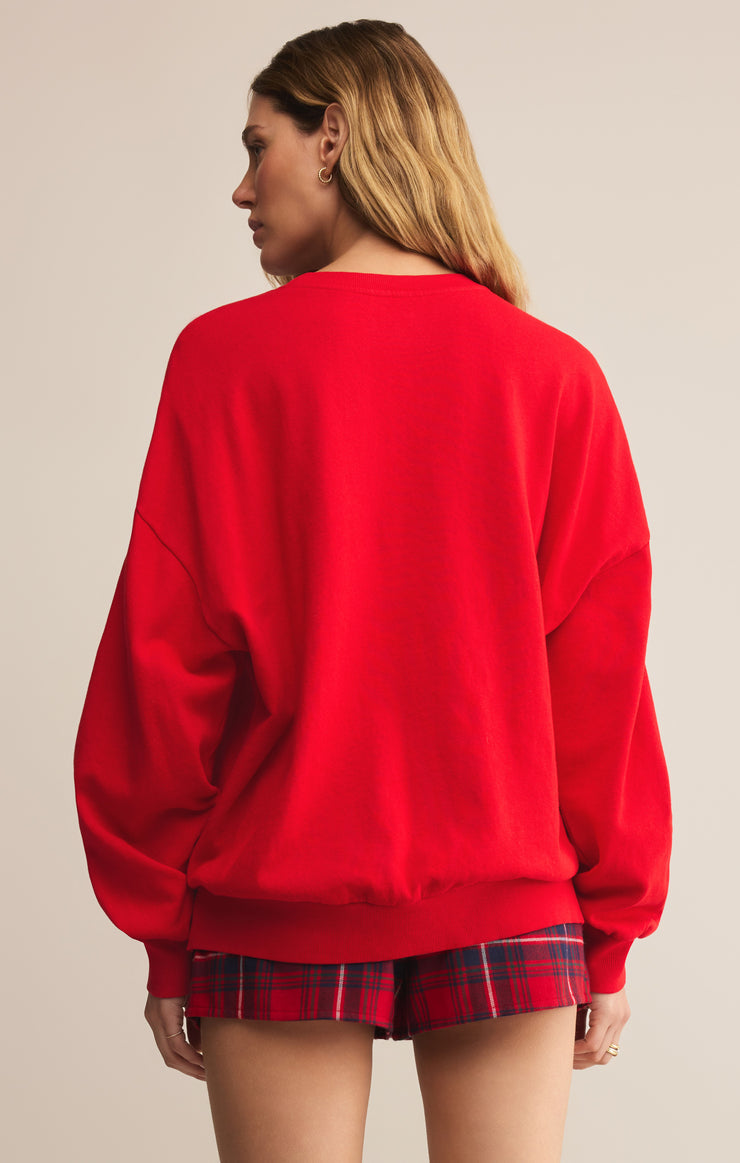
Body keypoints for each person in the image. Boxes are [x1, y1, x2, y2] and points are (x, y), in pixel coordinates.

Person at [73, 18, 673, 1163]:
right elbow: (598, 683)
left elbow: (162, 659)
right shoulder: (550, 374)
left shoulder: (223, 362)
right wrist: (610, 925)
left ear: (333, 135)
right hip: (510, 897)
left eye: (257, 147)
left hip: (275, 899)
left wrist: (164, 927)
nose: (240, 188)